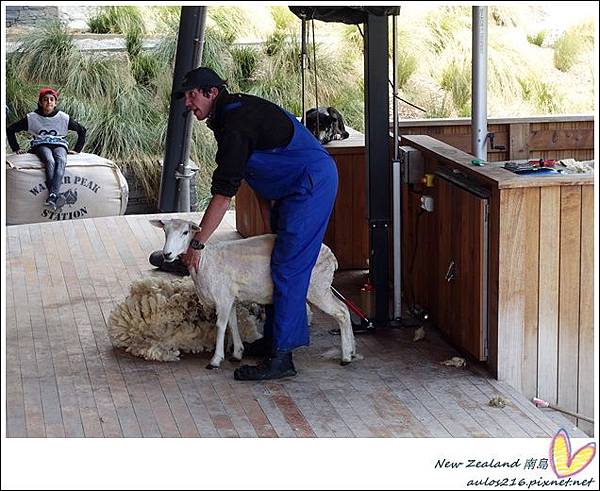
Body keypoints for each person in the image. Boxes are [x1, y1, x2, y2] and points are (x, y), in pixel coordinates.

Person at [152, 67, 339, 380]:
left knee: (289, 266)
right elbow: (257, 172)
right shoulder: (226, 118)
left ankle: (282, 359)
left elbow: (224, 194)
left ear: (212, 92)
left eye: (192, 94)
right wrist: (269, 225)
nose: (187, 102)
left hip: (311, 185)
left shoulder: (236, 122)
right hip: (288, 189)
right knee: (274, 257)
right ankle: (271, 340)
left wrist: (198, 244)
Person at [6, 87, 87, 210]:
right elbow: (10, 129)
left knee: (61, 160)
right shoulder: (32, 117)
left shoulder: (63, 117)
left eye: (51, 100)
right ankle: (54, 194)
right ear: (40, 102)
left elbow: (82, 130)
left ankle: (52, 195)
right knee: (50, 160)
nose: (48, 102)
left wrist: (77, 150)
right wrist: (16, 148)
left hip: (59, 144)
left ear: (55, 103)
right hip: (41, 144)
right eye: (45, 99)